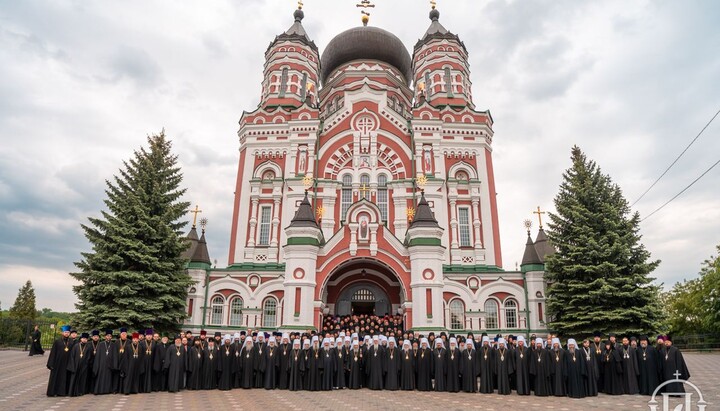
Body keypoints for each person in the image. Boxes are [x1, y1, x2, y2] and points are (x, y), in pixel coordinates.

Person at [47, 325, 73, 397]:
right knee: (57, 377)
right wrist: (51, 363)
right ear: (62, 333)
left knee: (66, 377)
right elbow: (53, 353)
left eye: (68, 332)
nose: (67, 333)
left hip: (68, 362)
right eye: (65, 332)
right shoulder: (57, 341)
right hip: (58, 363)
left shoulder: (71, 341)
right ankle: (55, 391)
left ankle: (65, 392)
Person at [67, 332, 92, 396]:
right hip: (75, 365)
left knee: (82, 379)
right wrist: (73, 365)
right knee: (74, 379)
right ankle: (72, 392)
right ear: (81, 339)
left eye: (86, 339)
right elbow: (72, 356)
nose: (84, 340)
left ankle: (81, 391)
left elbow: (89, 357)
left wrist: (86, 364)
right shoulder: (76, 346)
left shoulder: (88, 347)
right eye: (83, 338)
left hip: (84, 366)